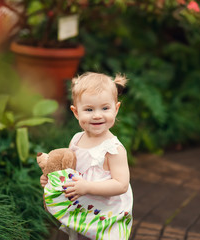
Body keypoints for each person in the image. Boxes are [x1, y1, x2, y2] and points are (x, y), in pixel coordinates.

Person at [40, 72, 133, 240]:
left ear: (116, 109)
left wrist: (87, 187)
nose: (97, 115)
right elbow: (69, 171)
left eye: (105, 108)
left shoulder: (114, 149)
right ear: (76, 112)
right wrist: (52, 180)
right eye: (89, 109)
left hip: (106, 215)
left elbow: (121, 185)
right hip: (83, 209)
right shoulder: (76, 139)